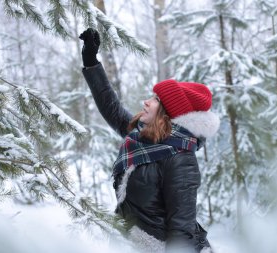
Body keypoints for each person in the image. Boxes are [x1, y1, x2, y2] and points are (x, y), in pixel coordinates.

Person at [79, 28, 219, 253]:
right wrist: (91, 62)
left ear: (167, 112)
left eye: (155, 99)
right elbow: (112, 109)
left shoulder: (180, 159)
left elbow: (181, 231)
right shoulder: (145, 138)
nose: (145, 101)